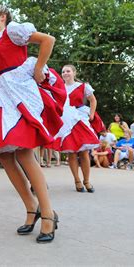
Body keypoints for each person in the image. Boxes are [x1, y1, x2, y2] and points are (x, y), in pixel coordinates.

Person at [0, 5, 65, 243]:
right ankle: (32, 208)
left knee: (23, 152)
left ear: (3, 17)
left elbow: (48, 40)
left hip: (19, 92)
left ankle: (48, 214)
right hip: (2, 96)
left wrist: (39, 68)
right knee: (4, 156)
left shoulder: (13, 31)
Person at [55, 64, 103, 193]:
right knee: (71, 151)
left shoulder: (83, 86)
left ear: (74, 73)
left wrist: (92, 114)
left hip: (79, 119)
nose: (65, 73)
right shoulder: (59, 87)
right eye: (63, 71)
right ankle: (77, 180)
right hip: (66, 120)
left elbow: (93, 100)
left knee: (84, 151)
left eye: (68, 71)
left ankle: (87, 181)